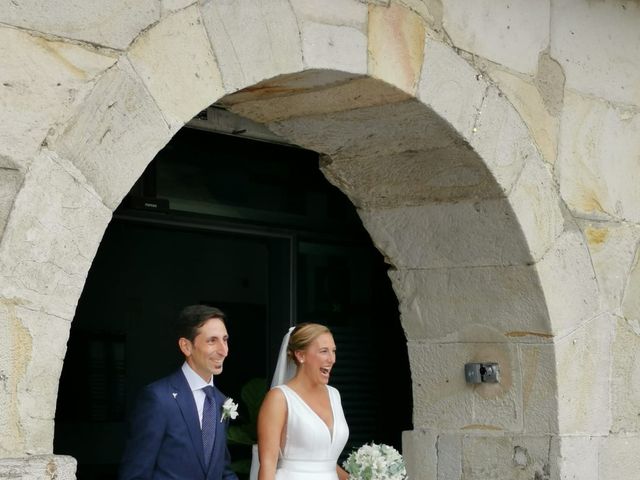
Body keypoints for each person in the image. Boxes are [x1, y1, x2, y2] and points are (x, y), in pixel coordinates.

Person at [119, 305, 239, 480]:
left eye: (225, 339)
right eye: (212, 340)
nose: (223, 351)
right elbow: (135, 474)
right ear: (186, 346)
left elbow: (222, 470)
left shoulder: (222, 402)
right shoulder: (158, 398)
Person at [257, 323, 349, 480]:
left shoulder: (334, 395)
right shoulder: (279, 398)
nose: (332, 359)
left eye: (333, 351)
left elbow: (325, 464)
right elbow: (267, 465)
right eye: (324, 351)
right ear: (301, 355)